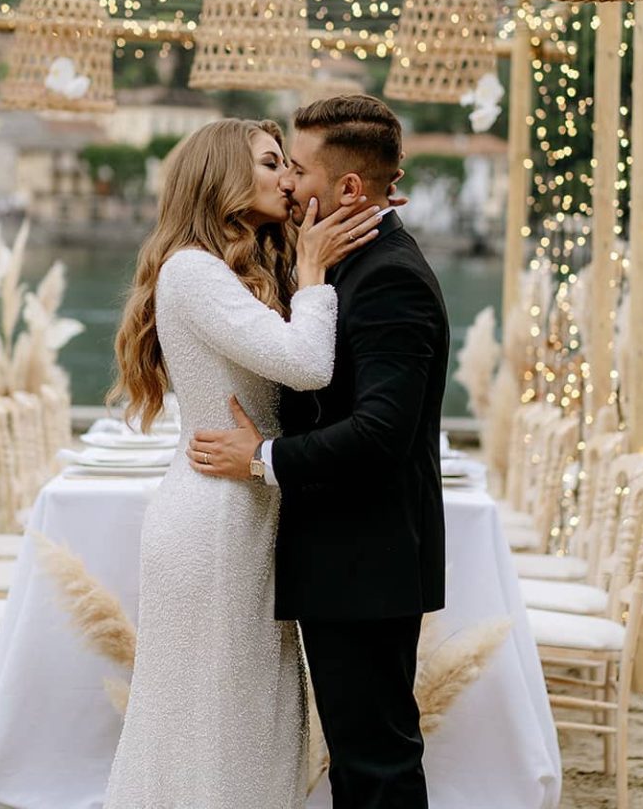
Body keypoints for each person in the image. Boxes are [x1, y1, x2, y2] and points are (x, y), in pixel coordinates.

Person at [103, 117, 382, 809]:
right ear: (222, 177)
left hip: (245, 506)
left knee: (248, 711)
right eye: (270, 163)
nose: (288, 177)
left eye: (290, 164)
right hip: (217, 518)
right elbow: (307, 363)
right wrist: (315, 275)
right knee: (218, 713)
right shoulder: (194, 270)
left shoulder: (237, 266)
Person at [189, 95, 450, 809]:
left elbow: (380, 433)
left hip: (365, 559)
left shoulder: (389, 276)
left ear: (351, 189)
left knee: (376, 765)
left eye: (299, 169)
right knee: (361, 760)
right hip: (347, 558)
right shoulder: (341, 257)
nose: (288, 184)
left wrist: (262, 458)